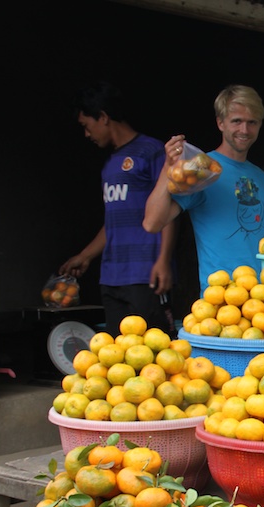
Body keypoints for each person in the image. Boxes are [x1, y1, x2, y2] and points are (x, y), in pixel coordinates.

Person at [60, 81, 176, 337]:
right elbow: (115, 221)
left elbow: (169, 209)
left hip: (146, 273)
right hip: (112, 276)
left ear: (102, 117)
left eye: (86, 126)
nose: (87, 134)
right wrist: (86, 255)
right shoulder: (110, 164)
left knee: (154, 351)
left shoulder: (152, 151)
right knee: (118, 355)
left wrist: (164, 260)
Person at [144, 85, 264, 292]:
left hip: (262, 294)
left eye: (252, 122)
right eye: (236, 121)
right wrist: (168, 167)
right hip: (221, 296)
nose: (244, 130)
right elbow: (152, 223)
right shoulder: (203, 169)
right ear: (220, 123)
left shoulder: (261, 176)